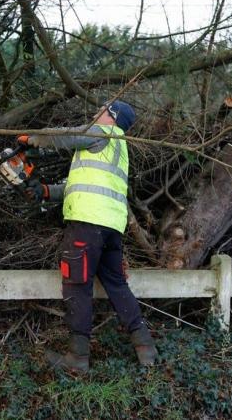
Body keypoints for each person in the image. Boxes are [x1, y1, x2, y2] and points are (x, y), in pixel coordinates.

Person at [17, 100, 158, 373]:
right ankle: (146, 347)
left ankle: (78, 357)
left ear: (111, 117)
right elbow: (80, 185)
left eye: (102, 110)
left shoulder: (100, 133)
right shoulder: (118, 147)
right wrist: (46, 191)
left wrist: (36, 138)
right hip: (111, 227)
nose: (96, 114)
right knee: (116, 284)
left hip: (87, 222)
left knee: (77, 285)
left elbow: (67, 135)